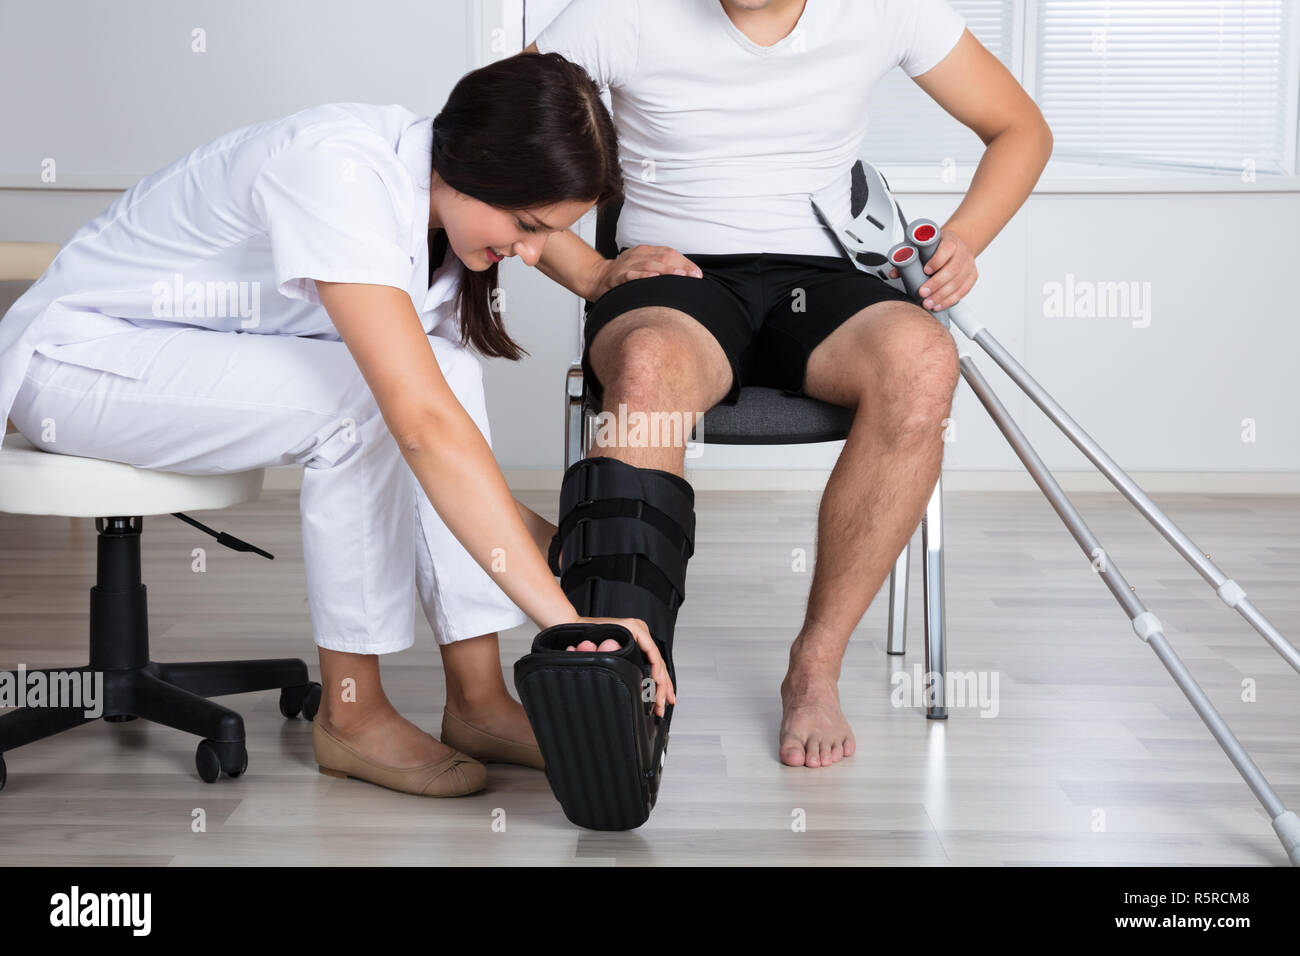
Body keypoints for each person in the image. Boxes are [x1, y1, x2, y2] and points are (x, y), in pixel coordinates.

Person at [0, 52, 673, 798]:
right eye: (526, 226)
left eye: (548, 233)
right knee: (364, 407)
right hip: (82, 361)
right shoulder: (339, 175)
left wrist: (599, 273)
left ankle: (478, 701)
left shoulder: (438, 196)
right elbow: (419, 429)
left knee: (447, 369)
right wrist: (568, 619)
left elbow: (442, 403)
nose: (531, 251)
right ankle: (351, 716)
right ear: (479, 165)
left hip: (187, 352)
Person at [525, 0, 1053, 767]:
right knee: (646, 369)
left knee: (925, 359)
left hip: (825, 276)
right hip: (678, 271)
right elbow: (488, 140)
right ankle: (622, 681)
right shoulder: (621, 12)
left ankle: (815, 667)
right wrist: (591, 269)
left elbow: (1021, 128)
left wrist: (965, 240)